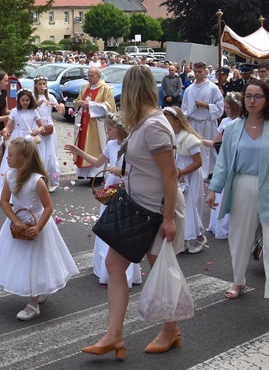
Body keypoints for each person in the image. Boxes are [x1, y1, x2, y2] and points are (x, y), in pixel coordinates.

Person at [81, 65, 185, 359]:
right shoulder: (143, 121)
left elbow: (170, 175)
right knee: (115, 266)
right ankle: (114, 335)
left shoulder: (154, 125)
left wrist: (167, 220)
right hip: (138, 207)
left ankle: (170, 330)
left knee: (160, 272)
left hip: (155, 210)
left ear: (131, 91)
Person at [205, 79, 269, 328]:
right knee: (239, 238)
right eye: (248, 96)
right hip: (241, 186)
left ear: (267, 100)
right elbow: (223, 161)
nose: (251, 101)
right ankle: (238, 280)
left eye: (257, 96)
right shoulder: (233, 127)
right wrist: (214, 188)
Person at [0, 137, 78, 321]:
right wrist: (15, 221)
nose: (7, 158)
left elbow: (48, 207)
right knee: (22, 261)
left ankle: (33, 304)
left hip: (37, 226)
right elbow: (4, 201)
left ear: (23, 158)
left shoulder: (37, 181)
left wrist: (38, 227)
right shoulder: (10, 176)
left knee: (36, 263)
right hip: (18, 225)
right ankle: (39, 291)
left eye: (10, 155)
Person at [64, 112, 143, 288]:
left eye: (109, 128)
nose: (107, 131)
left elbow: (139, 171)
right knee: (107, 227)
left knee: (122, 228)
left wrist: (122, 172)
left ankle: (124, 270)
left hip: (127, 189)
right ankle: (104, 267)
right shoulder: (111, 145)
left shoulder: (132, 146)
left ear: (119, 129)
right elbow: (98, 163)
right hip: (111, 190)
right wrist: (79, 151)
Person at [163, 106, 206, 253]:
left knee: (191, 206)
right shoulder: (169, 136)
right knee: (180, 207)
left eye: (168, 120)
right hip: (177, 174)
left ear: (177, 122)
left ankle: (198, 236)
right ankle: (186, 237)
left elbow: (198, 162)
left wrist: (182, 172)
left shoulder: (189, 138)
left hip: (189, 175)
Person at [202, 92, 242, 239]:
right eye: (225, 107)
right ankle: (220, 225)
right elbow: (214, 143)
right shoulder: (225, 121)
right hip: (224, 159)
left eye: (228, 108)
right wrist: (199, 139)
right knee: (222, 192)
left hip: (237, 161)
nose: (226, 110)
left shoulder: (243, 122)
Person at [0, 89, 45, 201]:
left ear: (30, 100)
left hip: (28, 138)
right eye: (23, 100)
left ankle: (27, 190)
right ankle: (4, 192)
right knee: (12, 162)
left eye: (27, 100)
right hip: (16, 137)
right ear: (19, 100)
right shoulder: (15, 111)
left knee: (27, 162)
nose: (25, 102)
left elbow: (42, 126)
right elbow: (8, 126)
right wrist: (5, 130)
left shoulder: (33, 112)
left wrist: (37, 131)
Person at [181, 62, 224, 179]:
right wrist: (188, 114)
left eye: (200, 71)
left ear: (205, 72)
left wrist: (206, 105)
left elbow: (220, 107)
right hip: (194, 123)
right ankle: (196, 169)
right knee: (195, 148)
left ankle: (210, 170)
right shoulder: (189, 90)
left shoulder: (213, 88)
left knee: (209, 149)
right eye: (195, 71)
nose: (197, 74)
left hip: (207, 123)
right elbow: (184, 108)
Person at [73, 66, 116, 180]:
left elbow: (109, 106)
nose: (89, 78)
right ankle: (83, 173)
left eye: (92, 76)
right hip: (84, 123)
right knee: (83, 146)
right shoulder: (84, 88)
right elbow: (76, 101)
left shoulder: (105, 89)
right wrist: (79, 103)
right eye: (88, 76)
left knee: (97, 148)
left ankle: (97, 175)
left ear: (99, 76)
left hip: (97, 125)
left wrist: (90, 105)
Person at [33, 75, 65, 192]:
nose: (42, 86)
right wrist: (40, 102)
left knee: (51, 153)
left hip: (49, 126)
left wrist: (61, 106)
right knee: (40, 153)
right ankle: (39, 180)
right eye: (40, 84)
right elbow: (30, 107)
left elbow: (59, 108)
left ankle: (51, 179)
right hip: (38, 125)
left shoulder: (50, 97)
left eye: (44, 84)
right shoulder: (33, 97)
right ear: (36, 85)